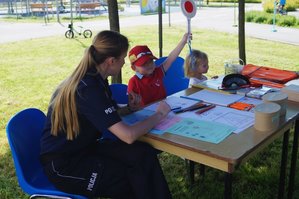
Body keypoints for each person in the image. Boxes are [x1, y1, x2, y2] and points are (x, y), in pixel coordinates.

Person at [40, 30, 172, 199]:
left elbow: (103, 115)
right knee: (127, 178)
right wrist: (159, 115)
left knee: (143, 154)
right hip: (64, 165)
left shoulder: (96, 78)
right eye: (123, 58)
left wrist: (129, 109)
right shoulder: (88, 89)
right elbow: (128, 135)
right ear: (111, 61)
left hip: (85, 148)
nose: (124, 62)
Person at [127, 33, 190, 109]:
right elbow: (132, 106)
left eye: (150, 61)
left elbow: (171, 58)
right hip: (146, 114)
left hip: (164, 109)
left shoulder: (157, 72)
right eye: (144, 64)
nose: (149, 65)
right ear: (134, 68)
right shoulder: (133, 82)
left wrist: (183, 41)